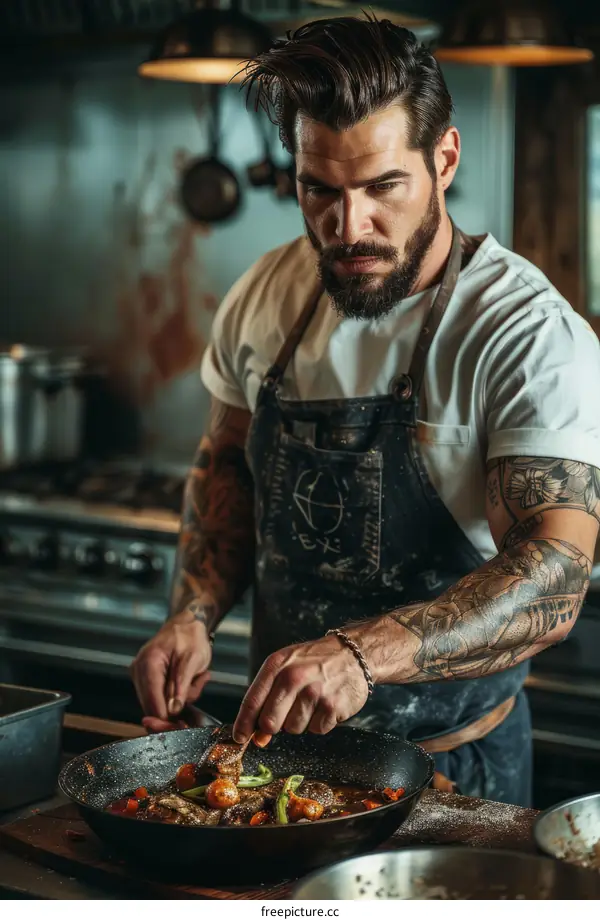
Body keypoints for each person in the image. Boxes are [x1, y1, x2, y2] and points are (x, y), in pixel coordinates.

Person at [131, 15, 600, 806]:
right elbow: (227, 469)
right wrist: (193, 614)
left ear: (443, 159)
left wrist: (361, 655)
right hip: (273, 764)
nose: (349, 229)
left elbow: (556, 571)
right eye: (320, 190)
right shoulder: (265, 295)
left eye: (383, 187)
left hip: (453, 772)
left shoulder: (524, 332)